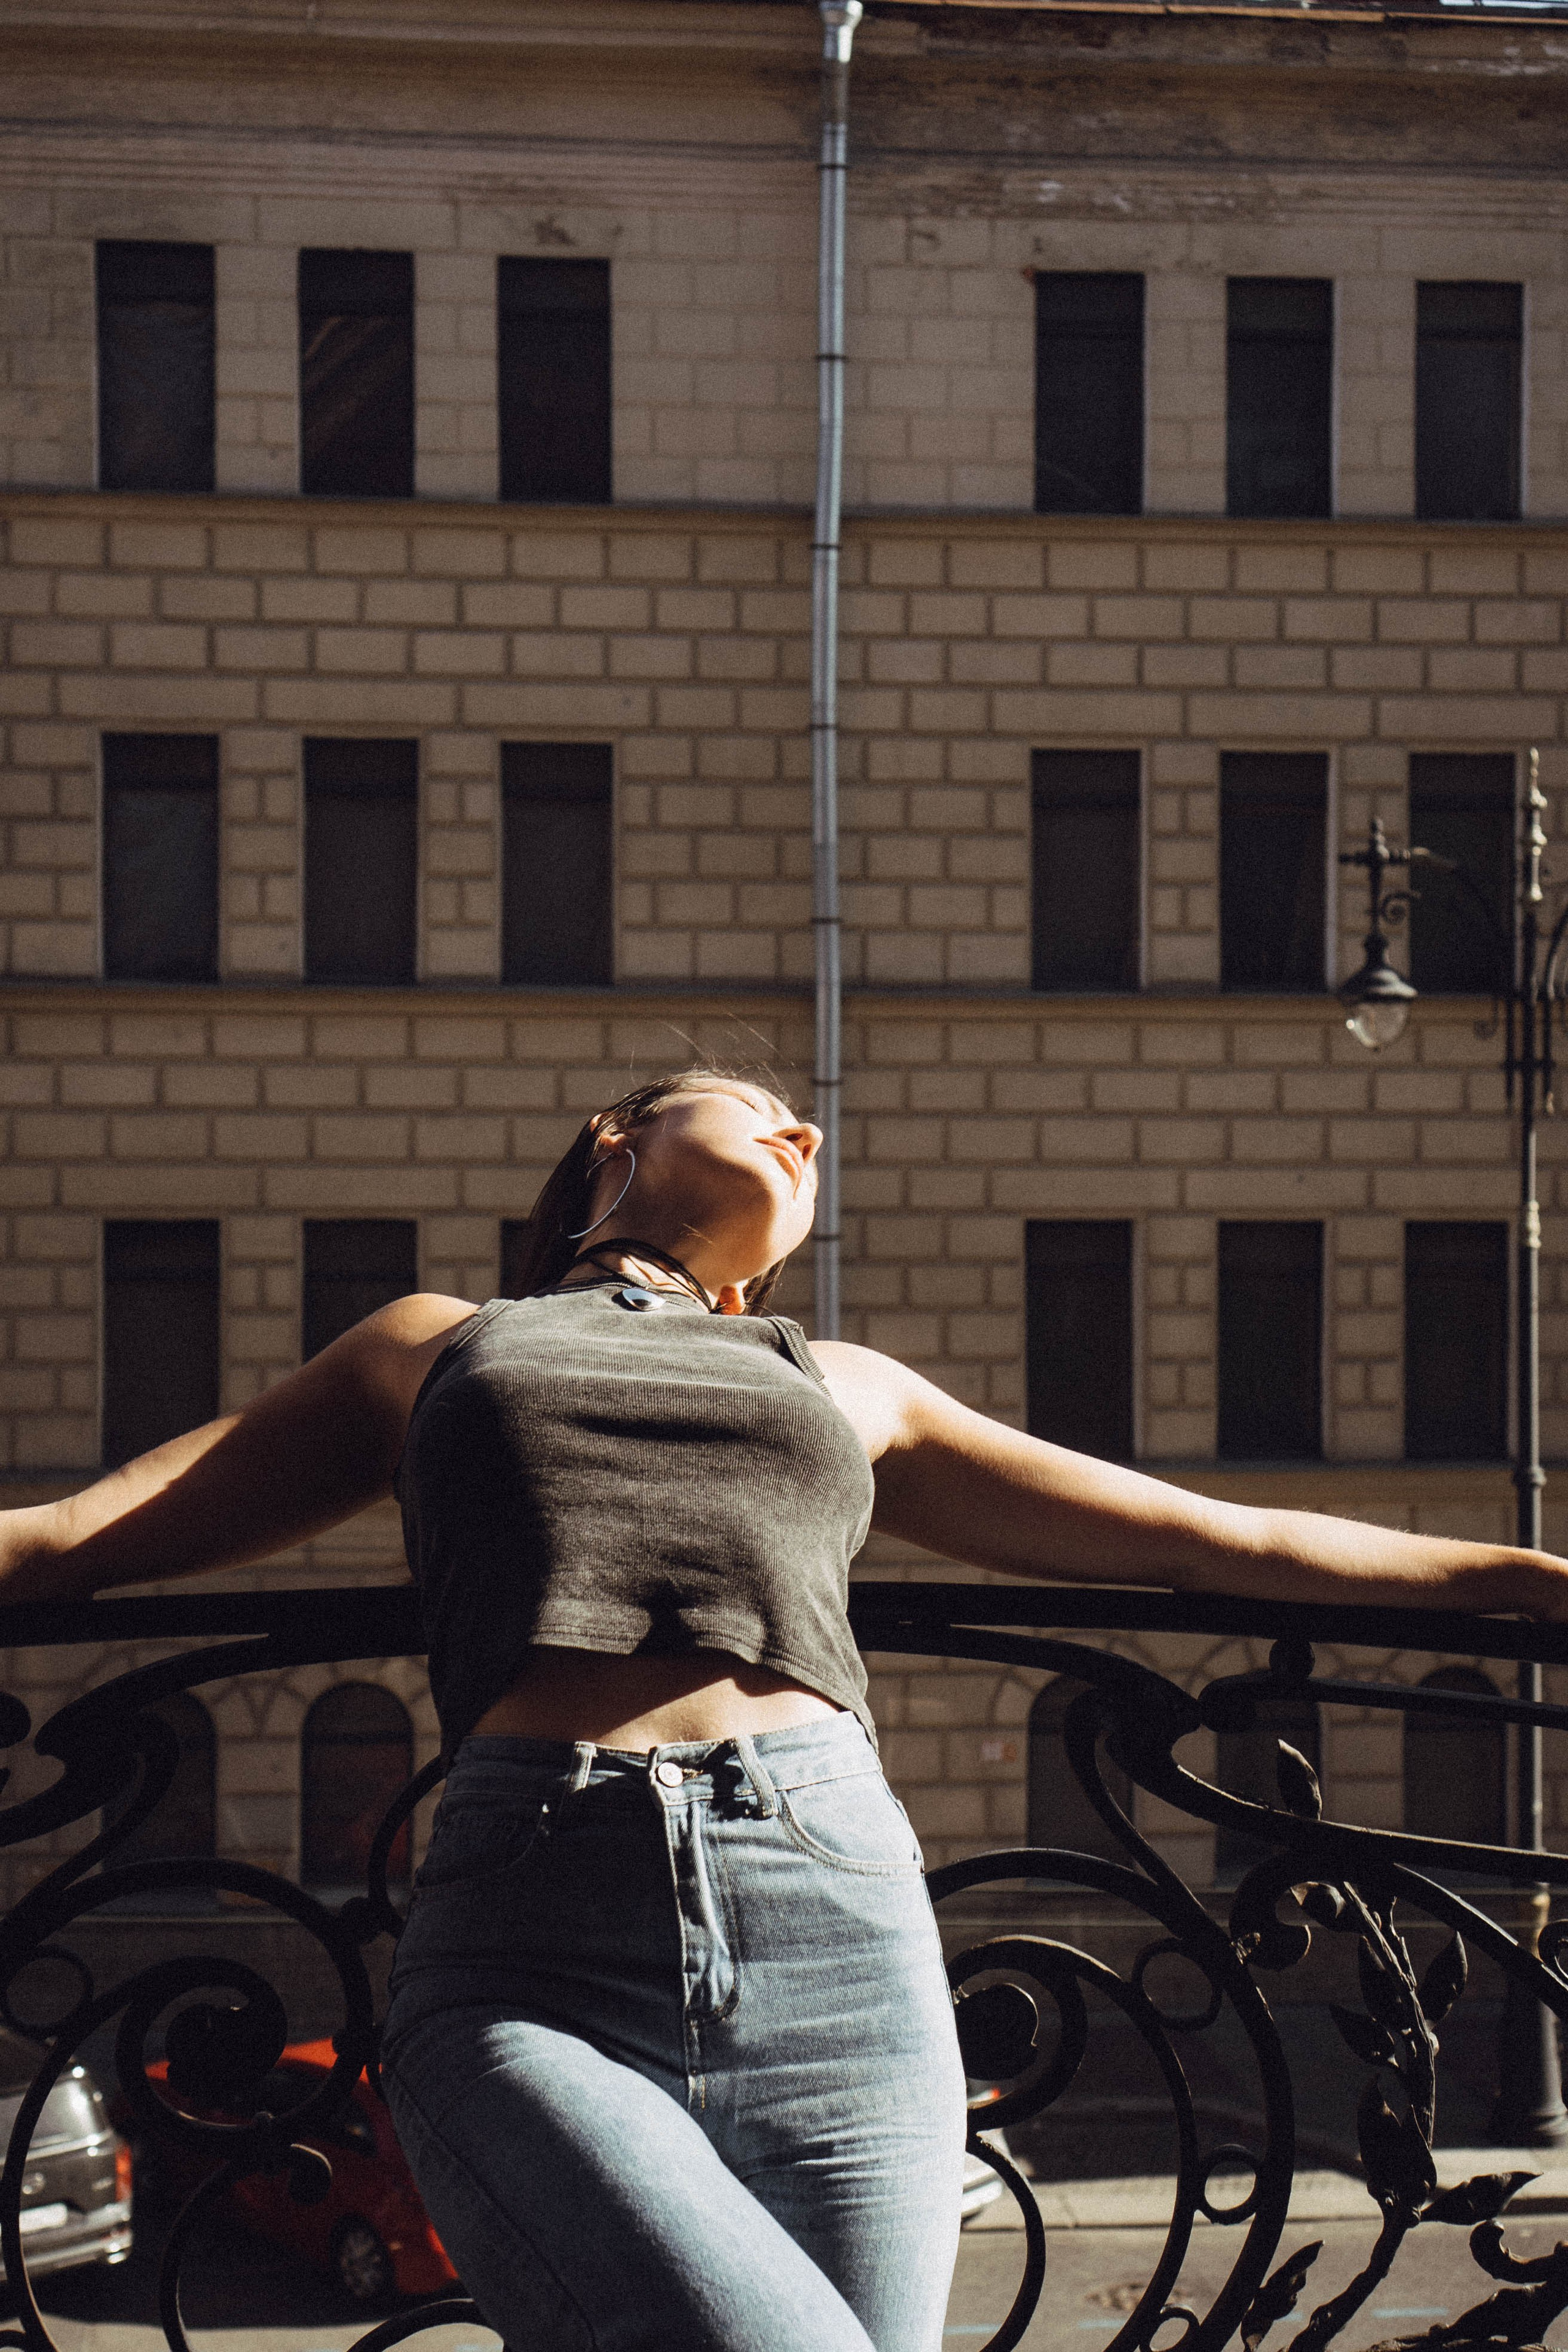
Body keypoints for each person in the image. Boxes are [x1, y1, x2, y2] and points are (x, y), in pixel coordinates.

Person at [1, 1065, 1564, 2352]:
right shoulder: (436, 1345)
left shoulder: (841, 1382)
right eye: (747, 1102)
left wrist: (1519, 1580)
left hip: (840, 1942)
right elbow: (75, 1541)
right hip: (529, 1951)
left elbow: (1226, 1540)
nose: (801, 1129)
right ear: (615, 1140)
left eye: (805, 1128)